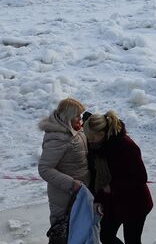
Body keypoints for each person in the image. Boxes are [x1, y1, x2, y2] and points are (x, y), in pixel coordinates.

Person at [83, 111, 153, 244]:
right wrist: (99, 199)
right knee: (105, 235)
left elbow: (141, 177)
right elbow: (99, 176)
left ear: (102, 134)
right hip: (114, 201)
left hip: (135, 203)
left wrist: (112, 186)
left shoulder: (126, 145)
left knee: (132, 240)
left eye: (91, 138)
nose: (89, 142)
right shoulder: (99, 146)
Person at [38, 97, 90, 243]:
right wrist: (71, 184)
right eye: (77, 116)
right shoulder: (57, 138)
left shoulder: (74, 130)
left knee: (79, 233)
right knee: (63, 235)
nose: (80, 119)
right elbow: (44, 168)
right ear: (67, 117)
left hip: (80, 192)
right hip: (65, 196)